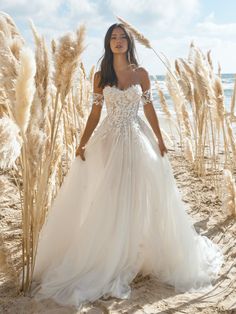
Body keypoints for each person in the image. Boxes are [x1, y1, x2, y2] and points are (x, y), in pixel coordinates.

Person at [31, 23, 223, 310]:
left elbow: (148, 108)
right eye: (113, 38)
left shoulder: (141, 74)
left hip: (137, 138)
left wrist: (159, 138)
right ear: (108, 43)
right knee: (110, 195)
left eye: (122, 37)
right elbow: (95, 112)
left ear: (129, 43)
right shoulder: (100, 76)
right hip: (109, 140)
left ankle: (136, 250)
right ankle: (110, 252)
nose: (118, 41)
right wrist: (82, 142)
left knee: (139, 194)